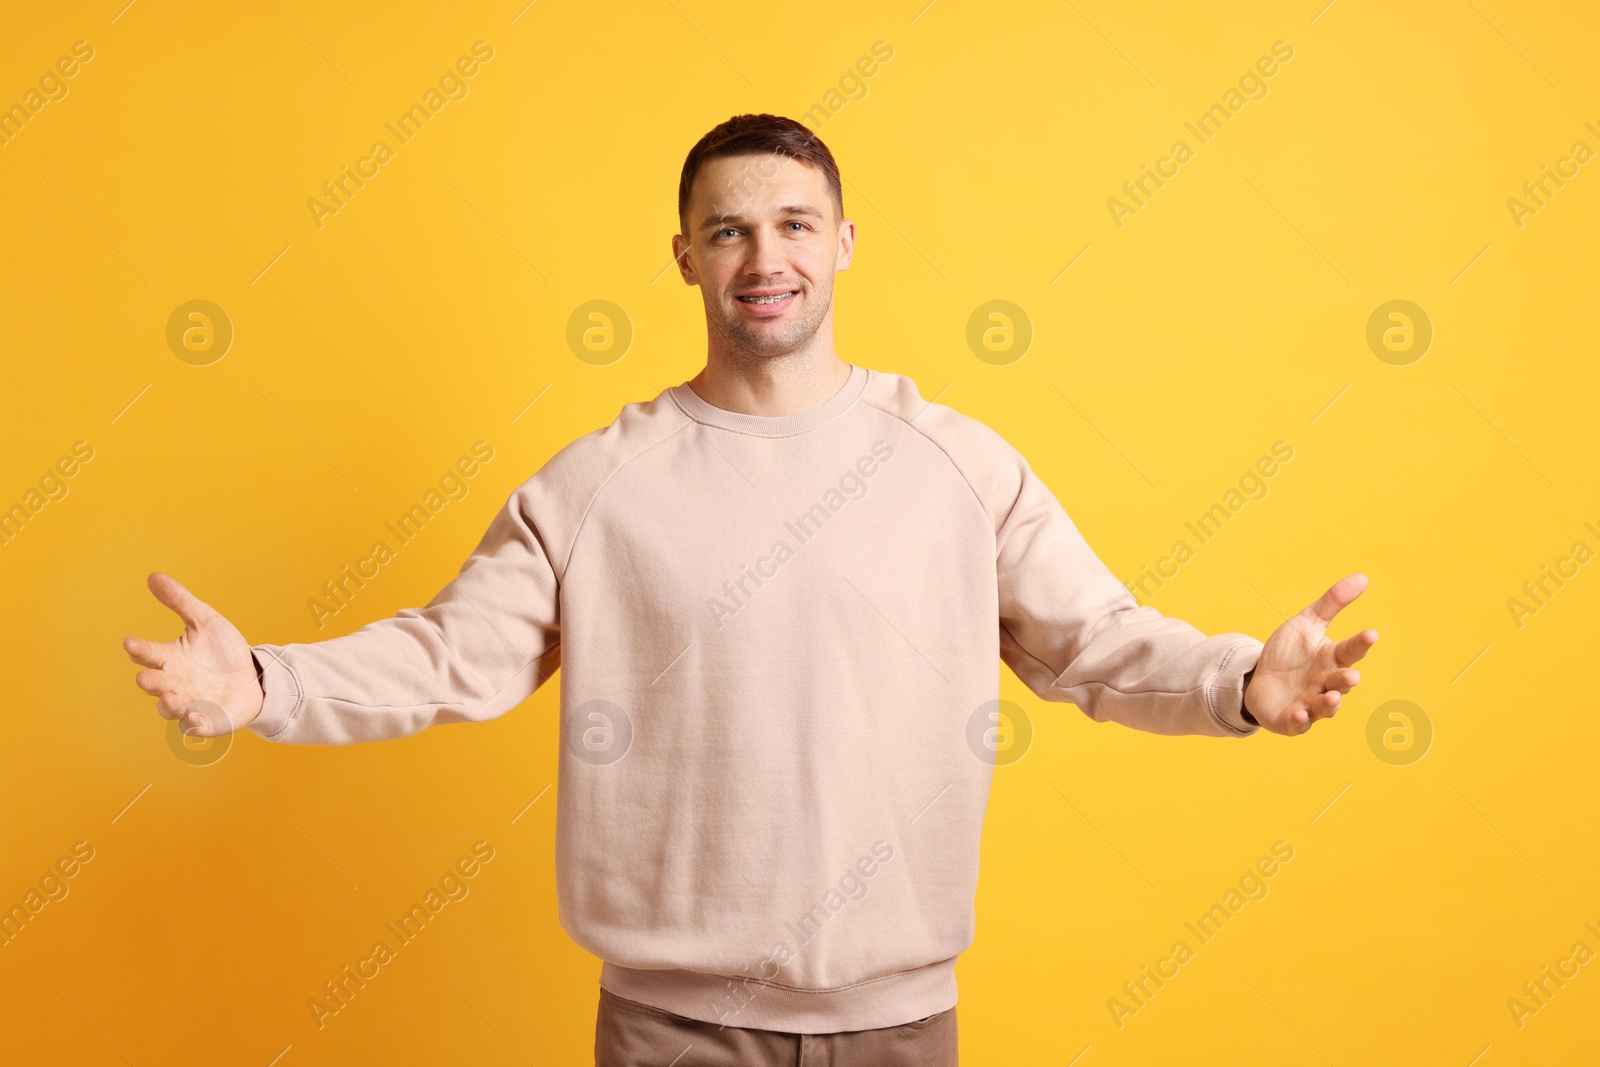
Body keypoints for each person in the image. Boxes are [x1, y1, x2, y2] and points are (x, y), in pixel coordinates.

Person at [124, 114, 1378, 1067]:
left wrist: (1239, 682)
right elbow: (456, 652)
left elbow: (1093, 642)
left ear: (842, 242)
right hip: (672, 1025)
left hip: (897, 1021)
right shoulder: (598, 485)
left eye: (790, 223)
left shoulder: (955, 464)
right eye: (727, 229)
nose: (761, 256)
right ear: (684, 257)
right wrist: (268, 681)